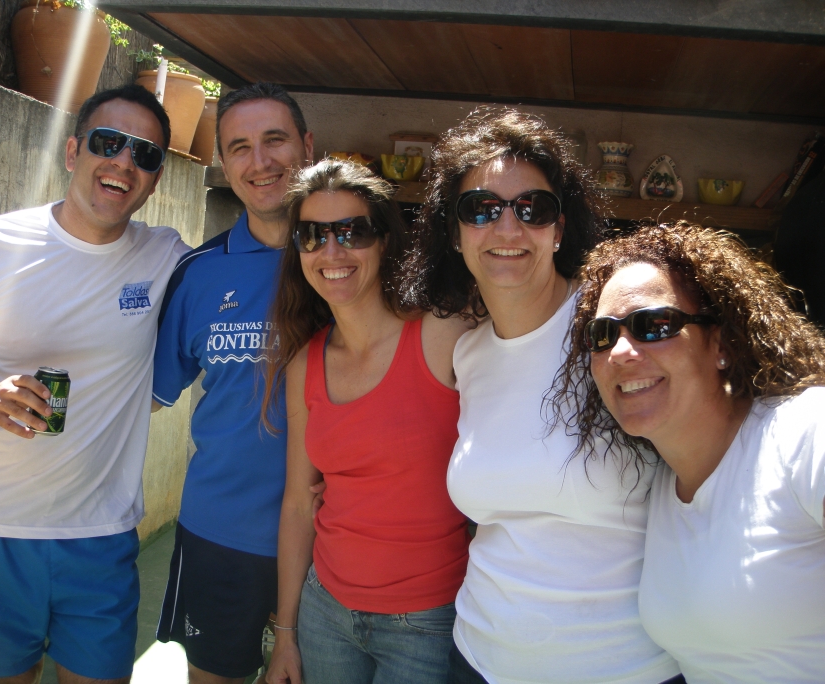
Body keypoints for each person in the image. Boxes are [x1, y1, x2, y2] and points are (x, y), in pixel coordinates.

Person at [0, 84, 186, 684]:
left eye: (144, 154)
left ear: (156, 180)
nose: (123, 162)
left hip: (101, 537)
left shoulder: (167, 257)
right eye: (107, 142)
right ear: (72, 152)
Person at [404, 107, 681, 684]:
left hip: (624, 670)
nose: (508, 229)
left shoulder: (615, 333)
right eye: (481, 209)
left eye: (533, 208)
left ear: (559, 229)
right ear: (454, 233)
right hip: (478, 660)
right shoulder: (467, 353)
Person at [557, 221, 825, 683]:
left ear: (722, 344)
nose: (619, 352)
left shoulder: (803, 431)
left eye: (653, 325)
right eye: (602, 335)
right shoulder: (661, 484)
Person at [263, 159, 473, 684]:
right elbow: (298, 503)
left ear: (384, 242)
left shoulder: (442, 335)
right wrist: (285, 632)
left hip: (427, 621)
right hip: (325, 612)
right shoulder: (306, 361)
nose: (331, 252)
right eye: (312, 236)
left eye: (351, 232)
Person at [151, 82, 313, 684]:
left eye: (275, 140)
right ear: (222, 161)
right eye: (240, 147)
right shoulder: (197, 274)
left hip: (337, 538)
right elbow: (144, 394)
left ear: (307, 146)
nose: (260, 161)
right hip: (221, 535)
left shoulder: (352, 263)